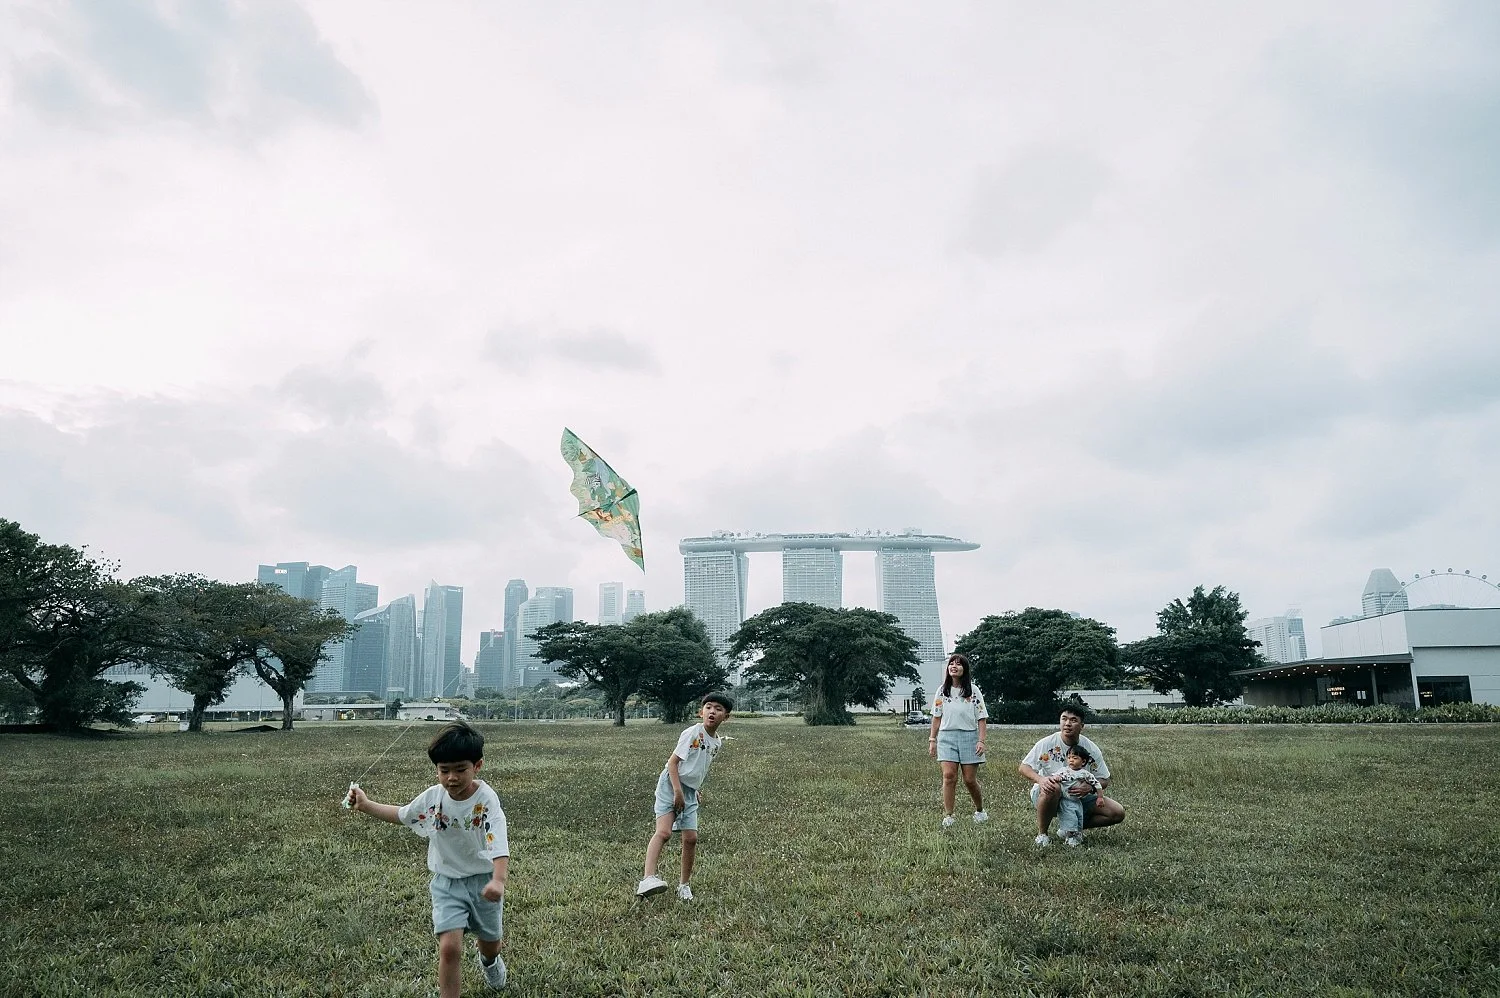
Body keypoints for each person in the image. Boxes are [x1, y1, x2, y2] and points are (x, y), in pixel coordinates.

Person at [345, 722, 509, 994]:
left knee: (491, 944)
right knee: (449, 948)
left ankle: (489, 961)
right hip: (446, 883)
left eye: (460, 769)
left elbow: (498, 842)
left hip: (483, 883)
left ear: (477, 766)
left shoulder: (486, 801)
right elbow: (402, 815)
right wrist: (365, 804)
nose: (452, 778)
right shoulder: (433, 798)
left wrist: (498, 880)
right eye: (444, 770)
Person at [636, 692, 733, 901]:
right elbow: (673, 763)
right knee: (664, 832)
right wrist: (678, 791)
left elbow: (699, 767)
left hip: (688, 791)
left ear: (726, 717)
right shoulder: (692, 733)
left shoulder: (717, 742)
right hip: (670, 785)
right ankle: (647, 878)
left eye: (718, 709)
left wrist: (693, 789)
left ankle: (684, 885)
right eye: (708, 707)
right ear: (701, 712)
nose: (712, 712)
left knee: (691, 838)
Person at [1018, 705, 1125, 847]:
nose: (1067, 723)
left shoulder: (1091, 749)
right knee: (1054, 786)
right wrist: (1041, 780)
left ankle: (1070, 829)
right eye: (1064, 719)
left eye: (1073, 720)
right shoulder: (1046, 743)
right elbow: (1024, 767)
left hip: (1077, 797)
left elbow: (1104, 779)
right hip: (1048, 794)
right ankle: (1042, 834)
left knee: (1117, 812)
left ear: (1082, 726)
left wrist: (1090, 787)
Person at [927, 653, 989, 828]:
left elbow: (982, 718)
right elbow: (936, 717)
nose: (954, 666)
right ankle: (949, 815)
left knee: (969, 779)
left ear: (964, 669)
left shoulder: (973, 690)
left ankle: (980, 810)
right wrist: (932, 739)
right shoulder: (942, 690)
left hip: (969, 737)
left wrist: (981, 741)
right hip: (947, 737)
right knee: (949, 776)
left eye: (958, 664)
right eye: (951, 664)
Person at [1053, 744, 1103, 847]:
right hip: (1066, 799)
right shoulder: (1064, 771)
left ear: (1083, 762)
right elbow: (1054, 777)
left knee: (1079, 818)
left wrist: (1100, 797)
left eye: (1075, 758)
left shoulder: (1085, 774)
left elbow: (1097, 784)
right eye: (1069, 758)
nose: (1071, 760)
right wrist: (1056, 778)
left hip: (1077, 800)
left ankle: (1073, 833)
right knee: (1070, 817)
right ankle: (1071, 838)